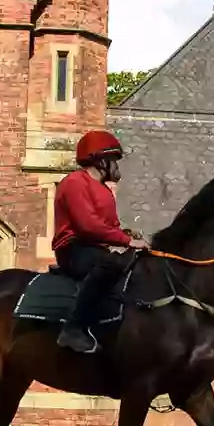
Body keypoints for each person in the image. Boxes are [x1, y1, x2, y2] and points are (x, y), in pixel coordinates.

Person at [54, 129, 147, 353]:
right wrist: (126, 240)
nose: (117, 166)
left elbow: (108, 227)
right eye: (114, 159)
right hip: (73, 249)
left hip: (95, 248)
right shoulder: (75, 182)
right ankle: (73, 329)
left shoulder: (103, 190)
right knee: (109, 264)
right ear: (100, 160)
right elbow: (88, 226)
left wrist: (127, 235)